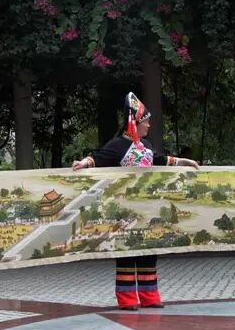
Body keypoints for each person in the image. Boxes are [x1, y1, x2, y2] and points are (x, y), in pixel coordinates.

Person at [72, 92, 199, 310]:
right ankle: (127, 298)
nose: (149, 125)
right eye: (146, 121)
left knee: (150, 250)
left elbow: (160, 160)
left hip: (149, 207)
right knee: (126, 251)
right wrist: (84, 163)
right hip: (126, 210)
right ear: (136, 122)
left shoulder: (146, 145)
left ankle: (150, 296)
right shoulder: (117, 145)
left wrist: (183, 161)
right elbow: (98, 158)